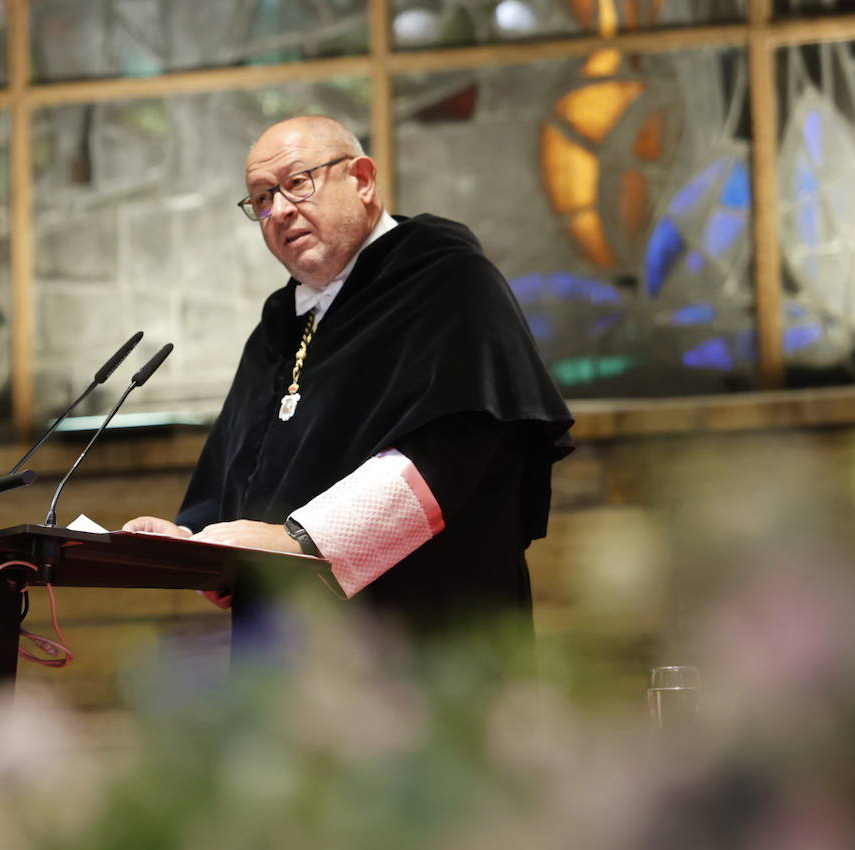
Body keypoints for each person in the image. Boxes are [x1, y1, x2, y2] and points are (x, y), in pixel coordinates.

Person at [124, 115, 574, 641]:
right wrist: (191, 538)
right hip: (290, 645)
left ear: (361, 179)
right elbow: (242, 467)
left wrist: (301, 541)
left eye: (297, 182)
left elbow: (454, 443)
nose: (281, 210)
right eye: (263, 199)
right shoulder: (280, 324)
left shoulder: (445, 278)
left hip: (421, 629)